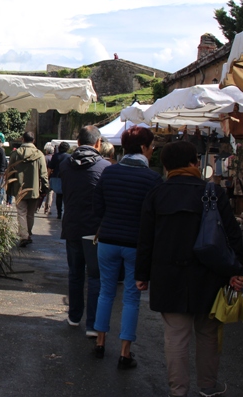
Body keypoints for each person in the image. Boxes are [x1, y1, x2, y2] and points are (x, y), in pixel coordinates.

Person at [136, 141, 243, 397]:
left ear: (165, 166)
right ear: (195, 163)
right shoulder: (212, 192)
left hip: (168, 275)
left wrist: (141, 274)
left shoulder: (157, 194)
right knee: (208, 333)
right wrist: (237, 270)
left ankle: (179, 391)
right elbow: (232, 235)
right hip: (210, 275)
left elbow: (145, 239)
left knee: (175, 337)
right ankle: (208, 387)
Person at [91, 127, 162, 368]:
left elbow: (98, 208)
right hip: (137, 245)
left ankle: (100, 342)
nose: (153, 151)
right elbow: (156, 217)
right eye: (151, 146)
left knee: (105, 291)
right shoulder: (153, 178)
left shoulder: (109, 173)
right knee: (132, 297)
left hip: (108, 239)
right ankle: (125, 351)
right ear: (143, 148)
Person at [58, 126, 110, 337]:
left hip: (71, 225)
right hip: (94, 229)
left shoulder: (64, 164)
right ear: (98, 143)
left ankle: (74, 316)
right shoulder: (105, 166)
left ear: (77, 143)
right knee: (95, 276)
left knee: (75, 273)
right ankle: (92, 325)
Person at [7, 132, 49, 247]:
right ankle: (28, 233)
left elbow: (9, 171)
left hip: (19, 188)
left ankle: (24, 235)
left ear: (22, 139)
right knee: (30, 214)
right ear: (33, 140)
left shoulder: (15, 154)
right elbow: (44, 173)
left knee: (21, 212)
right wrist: (45, 187)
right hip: (34, 189)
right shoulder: (39, 154)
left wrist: (9, 188)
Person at [48, 142, 70, 218]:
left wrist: (48, 177)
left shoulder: (55, 156)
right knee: (66, 196)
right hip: (66, 178)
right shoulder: (69, 157)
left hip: (56, 177)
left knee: (58, 196)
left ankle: (59, 213)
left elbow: (50, 167)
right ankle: (66, 212)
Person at [41, 143, 55, 214]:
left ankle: (36, 207)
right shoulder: (53, 158)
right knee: (49, 194)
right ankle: (47, 209)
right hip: (51, 178)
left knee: (41, 193)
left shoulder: (43, 157)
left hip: (42, 177)